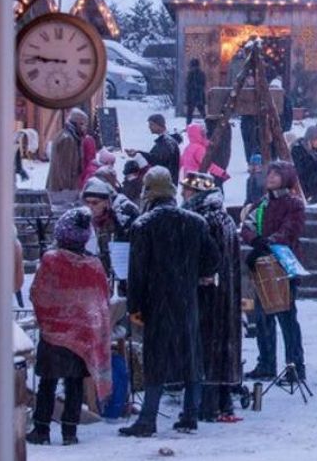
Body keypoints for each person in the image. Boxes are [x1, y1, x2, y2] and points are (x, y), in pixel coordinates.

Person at [120, 167, 219, 437]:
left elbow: (136, 272)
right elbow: (213, 260)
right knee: (191, 356)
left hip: (157, 301)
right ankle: (190, 415)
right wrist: (195, 276)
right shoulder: (195, 222)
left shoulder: (144, 225)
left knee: (156, 358)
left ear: (149, 193)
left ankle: (147, 419)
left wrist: (135, 306)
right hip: (188, 299)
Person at [27, 208, 112, 446]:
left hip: (54, 334)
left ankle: (41, 429)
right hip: (83, 337)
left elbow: (38, 293)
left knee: (48, 383)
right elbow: (101, 300)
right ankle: (70, 432)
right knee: (75, 384)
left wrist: (51, 317)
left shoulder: (51, 261)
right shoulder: (94, 265)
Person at [181, 172, 243, 422]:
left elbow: (207, 258)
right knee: (224, 345)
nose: (182, 195)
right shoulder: (224, 218)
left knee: (206, 347)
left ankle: (207, 405)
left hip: (208, 293)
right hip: (227, 293)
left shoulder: (202, 219)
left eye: (186, 191)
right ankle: (223, 401)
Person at [241, 161, 307, 383]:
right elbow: (247, 227)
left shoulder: (294, 203)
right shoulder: (262, 203)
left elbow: (290, 230)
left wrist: (267, 242)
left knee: (287, 318)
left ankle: (295, 366)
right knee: (262, 317)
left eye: (276, 175)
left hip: (283, 265)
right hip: (263, 265)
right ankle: (266, 363)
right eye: (269, 174)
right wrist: (256, 240)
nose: (270, 178)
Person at [80, 176, 138, 280]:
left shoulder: (122, 215)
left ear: (106, 202)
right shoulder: (91, 217)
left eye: (95, 203)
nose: (90, 207)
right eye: (87, 202)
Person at [46, 108, 94, 193]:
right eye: (84, 125)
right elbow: (64, 168)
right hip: (62, 189)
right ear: (78, 123)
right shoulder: (67, 139)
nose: (85, 128)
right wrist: (67, 190)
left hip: (63, 187)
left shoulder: (70, 136)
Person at [128, 114, 180, 185]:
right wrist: (138, 152)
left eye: (151, 124)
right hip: (165, 182)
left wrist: (140, 154)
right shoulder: (165, 140)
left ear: (159, 125)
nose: (149, 127)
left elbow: (158, 160)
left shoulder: (166, 142)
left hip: (165, 184)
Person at [292, 126, 317, 206]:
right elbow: (299, 170)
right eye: (316, 140)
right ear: (309, 139)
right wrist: (311, 160)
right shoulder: (298, 150)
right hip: (304, 185)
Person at [185, 58, 207, 126]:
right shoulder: (201, 73)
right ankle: (209, 125)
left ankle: (188, 126)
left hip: (193, 96)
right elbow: (203, 84)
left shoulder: (191, 73)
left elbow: (188, 86)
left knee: (190, 114)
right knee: (202, 113)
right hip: (198, 96)